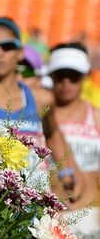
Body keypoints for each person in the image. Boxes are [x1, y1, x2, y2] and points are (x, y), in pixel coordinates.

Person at [0, 17, 85, 202]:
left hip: (32, 201)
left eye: (8, 46)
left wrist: (69, 171)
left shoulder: (41, 98)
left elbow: (53, 134)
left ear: (20, 52)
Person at [47, 44, 99, 208]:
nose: (66, 81)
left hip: (90, 209)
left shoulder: (96, 116)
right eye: (60, 74)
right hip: (47, 206)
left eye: (73, 75)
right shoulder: (39, 114)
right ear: (51, 75)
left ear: (85, 76)